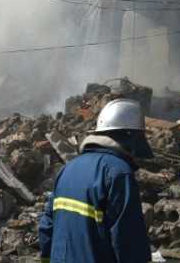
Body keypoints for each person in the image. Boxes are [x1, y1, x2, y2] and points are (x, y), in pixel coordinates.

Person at [39, 98, 152, 263]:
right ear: (130, 136)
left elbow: (47, 225)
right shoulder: (119, 173)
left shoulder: (67, 169)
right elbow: (127, 239)